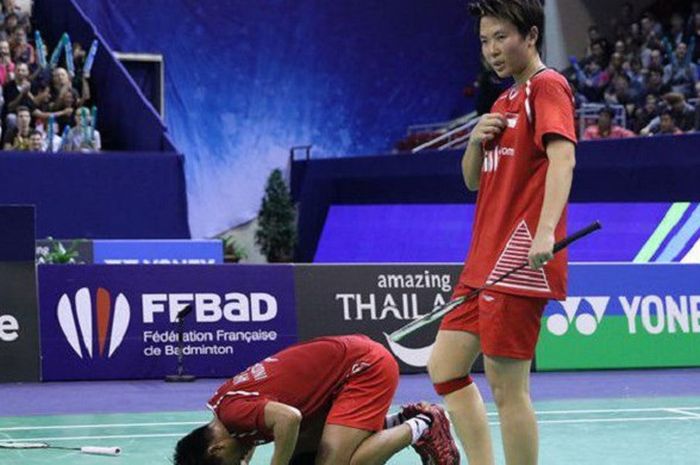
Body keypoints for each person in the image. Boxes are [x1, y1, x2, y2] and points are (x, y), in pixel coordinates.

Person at [427, 2, 576, 465]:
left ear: (530, 36)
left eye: (501, 38)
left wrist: (545, 232)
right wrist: (474, 140)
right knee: (445, 367)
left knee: (508, 390)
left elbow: (563, 160)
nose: (491, 50)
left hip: (517, 261)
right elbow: (473, 180)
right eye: (484, 41)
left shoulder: (547, 86)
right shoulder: (502, 101)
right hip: (482, 263)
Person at [174, 334, 460, 465]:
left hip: (362, 367)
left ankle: (427, 423)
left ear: (216, 450)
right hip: (337, 379)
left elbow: (289, 418)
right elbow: (251, 436)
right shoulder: (227, 416)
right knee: (304, 460)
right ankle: (397, 421)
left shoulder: (234, 414)